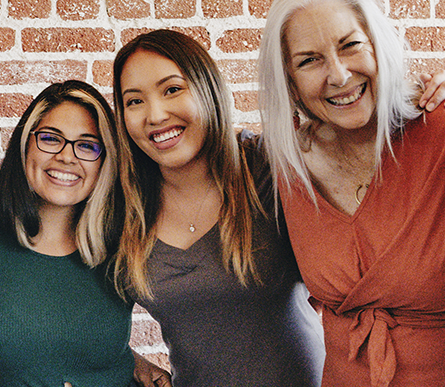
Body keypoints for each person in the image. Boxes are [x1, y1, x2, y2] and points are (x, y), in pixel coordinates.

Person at [258, 0, 445, 386]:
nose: (340, 75)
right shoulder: (286, 165)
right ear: (288, 81)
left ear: (378, 46)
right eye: (309, 60)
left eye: (351, 46)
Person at [108, 29, 320, 387]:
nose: (155, 115)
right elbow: (63, 301)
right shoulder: (122, 208)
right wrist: (123, 358)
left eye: (172, 89)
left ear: (208, 89)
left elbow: (361, 144)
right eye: (134, 101)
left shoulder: (268, 165)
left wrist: (438, 93)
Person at [0, 80, 134, 387]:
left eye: (87, 145)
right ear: (25, 143)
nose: (67, 156)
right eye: (50, 138)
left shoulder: (124, 242)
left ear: (105, 160)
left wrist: (136, 360)